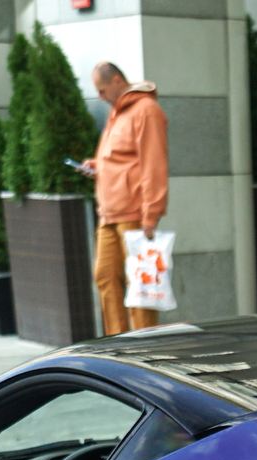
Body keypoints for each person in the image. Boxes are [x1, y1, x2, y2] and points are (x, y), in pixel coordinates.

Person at [80, 62, 169, 335]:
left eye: (102, 90)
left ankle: (145, 347)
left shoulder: (146, 111)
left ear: (117, 81)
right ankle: (116, 345)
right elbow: (121, 158)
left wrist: (151, 214)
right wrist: (98, 165)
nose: (100, 97)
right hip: (109, 213)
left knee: (140, 285)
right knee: (105, 277)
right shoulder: (117, 113)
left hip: (133, 215)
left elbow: (154, 165)